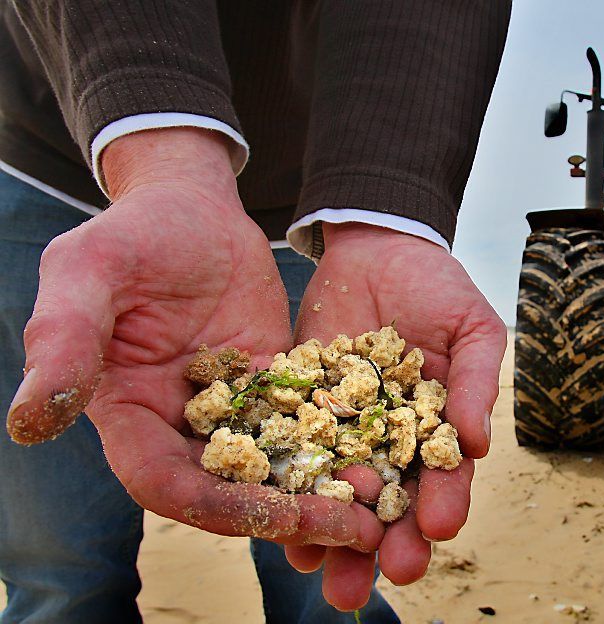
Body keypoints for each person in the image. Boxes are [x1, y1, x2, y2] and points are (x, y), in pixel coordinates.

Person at [0, 2, 511, 622]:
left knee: (329, 559)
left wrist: (385, 207)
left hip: (309, 196)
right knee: (62, 567)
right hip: (48, 143)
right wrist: (163, 157)